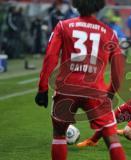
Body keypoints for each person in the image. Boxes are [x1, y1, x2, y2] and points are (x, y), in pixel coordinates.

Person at [34, 0, 126, 160]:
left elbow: (50, 57)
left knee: (59, 134)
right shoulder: (109, 33)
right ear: (99, 6)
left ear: (76, 4)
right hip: (95, 90)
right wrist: (110, 93)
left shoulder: (63, 26)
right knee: (112, 138)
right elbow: (118, 70)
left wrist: (42, 88)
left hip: (66, 89)